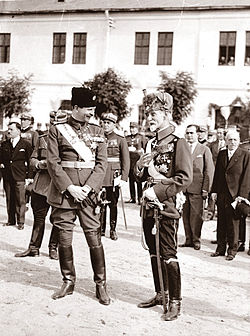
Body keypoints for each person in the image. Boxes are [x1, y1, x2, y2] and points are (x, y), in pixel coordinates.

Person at [46, 87, 110, 305]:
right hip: (66, 193)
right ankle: (68, 281)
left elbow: (102, 165)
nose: (91, 113)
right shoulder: (57, 130)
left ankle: (100, 284)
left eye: (93, 108)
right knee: (64, 238)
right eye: (87, 109)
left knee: (94, 237)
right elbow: (52, 163)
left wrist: (89, 188)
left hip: (88, 195)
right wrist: (69, 187)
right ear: (74, 108)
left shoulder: (98, 131)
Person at [134, 91, 192, 321]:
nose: (150, 118)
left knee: (168, 253)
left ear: (167, 115)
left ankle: (175, 302)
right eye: (148, 114)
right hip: (149, 205)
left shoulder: (179, 143)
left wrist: (156, 191)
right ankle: (161, 294)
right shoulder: (152, 143)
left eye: (155, 114)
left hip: (166, 205)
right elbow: (140, 175)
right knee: (153, 252)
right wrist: (139, 167)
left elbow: (184, 178)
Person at [15, 114, 60, 259]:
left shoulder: (70, 143)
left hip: (60, 186)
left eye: (58, 123)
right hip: (42, 185)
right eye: (52, 122)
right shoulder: (42, 139)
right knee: (38, 218)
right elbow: (33, 159)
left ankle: (53, 248)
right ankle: (34, 247)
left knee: (58, 219)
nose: (54, 126)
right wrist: (39, 164)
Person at [210, 130, 250, 261]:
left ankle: (232, 250)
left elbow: (246, 178)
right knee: (221, 222)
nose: (232, 142)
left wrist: (242, 196)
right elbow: (217, 174)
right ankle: (220, 249)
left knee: (233, 224)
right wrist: (214, 191)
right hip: (222, 194)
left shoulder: (245, 155)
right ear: (226, 141)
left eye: (235, 140)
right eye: (230, 140)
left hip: (235, 195)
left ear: (239, 141)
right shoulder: (222, 154)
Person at [180, 125, 214, 250]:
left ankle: (196, 240)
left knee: (196, 216)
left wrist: (206, 189)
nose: (189, 135)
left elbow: (209, 171)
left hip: (198, 189)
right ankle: (188, 239)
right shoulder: (182, 149)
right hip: (183, 188)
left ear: (197, 134)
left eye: (192, 133)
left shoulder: (204, 149)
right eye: (187, 133)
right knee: (185, 215)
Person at [101, 112, 130, 240]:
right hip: (100, 175)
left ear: (114, 125)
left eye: (109, 123)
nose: (106, 125)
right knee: (100, 203)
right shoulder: (99, 137)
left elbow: (126, 160)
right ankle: (100, 229)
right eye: (104, 122)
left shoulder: (120, 139)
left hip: (113, 176)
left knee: (112, 204)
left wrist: (123, 178)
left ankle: (112, 229)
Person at [0, 120, 33, 229]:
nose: (8, 131)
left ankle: (21, 222)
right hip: (7, 176)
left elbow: (30, 161)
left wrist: (29, 177)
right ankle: (11, 220)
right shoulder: (4, 144)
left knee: (20, 199)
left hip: (20, 176)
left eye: (11, 129)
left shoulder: (26, 144)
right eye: (8, 129)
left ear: (18, 131)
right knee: (9, 198)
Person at [126, 122, 146, 204]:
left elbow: (145, 148)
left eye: (134, 128)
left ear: (137, 128)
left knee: (138, 181)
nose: (132, 129)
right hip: (130, 162)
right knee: (131, 181)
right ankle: (132, 198)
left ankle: (140, 198)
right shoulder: (126, 138)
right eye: (131, 128)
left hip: (137, 162)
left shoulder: (141, 137)